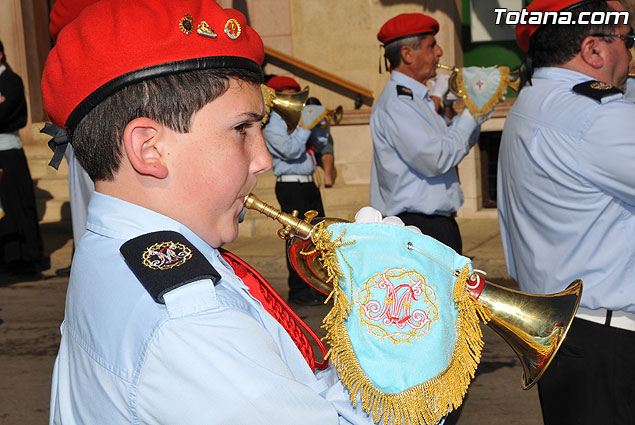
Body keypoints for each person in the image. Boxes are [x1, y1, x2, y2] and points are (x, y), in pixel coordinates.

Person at [42, 0, 387, 423]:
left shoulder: (115, 247)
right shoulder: (190, 322)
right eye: (242, 129)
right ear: (149, 149)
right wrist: (405, 324)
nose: (263, 159)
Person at [497, 1, 635, 423]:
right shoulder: (597, 117)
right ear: (594, 50)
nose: (632, 55)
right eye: (628, 40)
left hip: (565, 337)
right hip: (611, 343)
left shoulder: (535, 101)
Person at [369, 13, 490, 255]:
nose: (440, 52)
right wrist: (471, 114)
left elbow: (454, 147)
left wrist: (472, 112)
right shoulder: (398, 103)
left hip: (434, 224)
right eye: (431, 45)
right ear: (407, 54)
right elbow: (437, 159)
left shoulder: (417, 99)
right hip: (418, 226)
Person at [263, 75, 330, 305]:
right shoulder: (273, 124)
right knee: (297, 239)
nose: (297, 102)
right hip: (290, 185)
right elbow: (290, 150)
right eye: (291, 95)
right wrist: (305, 127)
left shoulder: (299, 121)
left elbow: (319, 146)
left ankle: (317, 284)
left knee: (317, 237)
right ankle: (299, 291)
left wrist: (320, 127)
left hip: (308, 183)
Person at [0, 39, 46, 277]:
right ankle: (6, 256)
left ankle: (27, 257)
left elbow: (5, 114)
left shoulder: (11, 81)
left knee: (17, 205)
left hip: (8, 152)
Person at [306, 96, 338, 188]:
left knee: (328, 148)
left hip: (322, 143)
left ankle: (327, 177)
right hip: (309, 144)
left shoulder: (324, 117)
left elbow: (325, 133)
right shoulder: (303, 117)